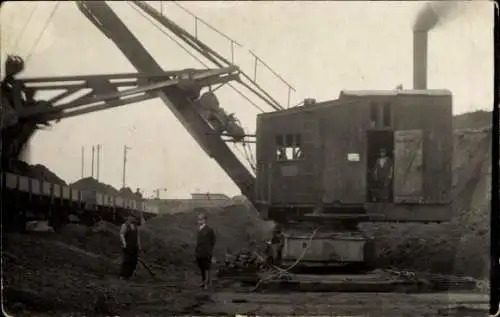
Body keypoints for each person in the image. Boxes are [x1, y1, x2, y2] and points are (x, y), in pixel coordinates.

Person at [195, 212, 216, 289]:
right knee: (202, 268)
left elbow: (213, 240)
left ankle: (207, 283)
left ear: (204, 220)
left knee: (206, 268)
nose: (199, 221)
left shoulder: (209, 230)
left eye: (200, 219)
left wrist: (209, 250)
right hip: (199, 252)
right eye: (198, 219)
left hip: (206, 252)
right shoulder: (198, 229)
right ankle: (203, 282)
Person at [119, 215, 141, 280]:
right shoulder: (125, 225)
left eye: (134, 218)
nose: (133, 219)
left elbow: (138, 237)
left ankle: (129, 275)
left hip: (134, 246)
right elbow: (122, 234)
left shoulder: (135, 226)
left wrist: (139, 246)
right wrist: (124, 243)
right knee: (126, 260)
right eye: (132, 217)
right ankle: (123, 275)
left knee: (134, 261)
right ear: (128, 218)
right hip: (127, 246)